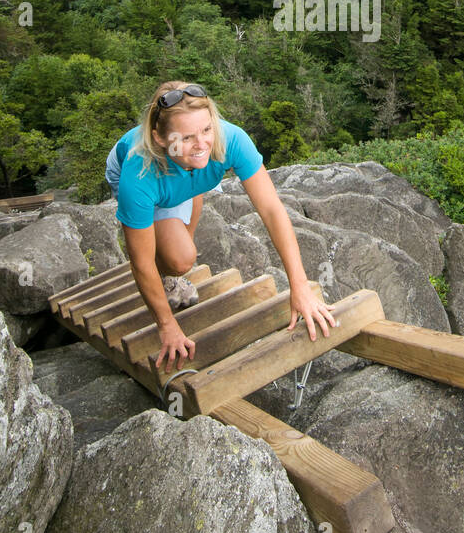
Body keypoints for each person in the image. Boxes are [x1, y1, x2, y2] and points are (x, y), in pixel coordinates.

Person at [105, 81, 337, 373]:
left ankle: (187, 188)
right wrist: (167, 325)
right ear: (161, 138)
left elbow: (271, 210)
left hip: (183, 171)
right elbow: (139, 262)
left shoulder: (230, 139)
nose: (202, 144)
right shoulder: (138, 175)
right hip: (152, 174)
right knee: (179, 260)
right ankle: (170, 275)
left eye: (206, 129)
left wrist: (299, 285)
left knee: (193, 178)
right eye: (186, 137)